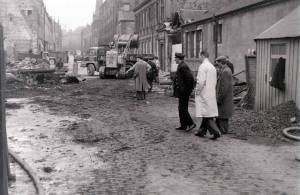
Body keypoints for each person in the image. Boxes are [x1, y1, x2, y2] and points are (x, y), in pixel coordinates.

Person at [194, 51, 221, 140]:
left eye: (200, 56)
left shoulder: (203, 66)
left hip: (203, 93)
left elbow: (201, 82)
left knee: (206, 114)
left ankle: (216, 131)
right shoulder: (212, 67)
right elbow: (215, 81)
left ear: (202, 56)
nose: (199, 58)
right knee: (205, 113)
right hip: (210, 93)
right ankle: (202, 131)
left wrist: (197, 90)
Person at [173, 53, 196, 131]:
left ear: (179, 59)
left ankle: (191, 123)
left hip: (184, 92)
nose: (174, 59)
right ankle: (183, 125)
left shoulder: (183, 66)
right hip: (182, 91)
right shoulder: (181, 65)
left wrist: (187, 90)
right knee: (181, 108)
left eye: (175, 58)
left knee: (183, 108)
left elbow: (190, 79)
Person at [215, 56, 234, 134]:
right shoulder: (225, 70)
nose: (217, 64)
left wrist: (219, 98)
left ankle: (223, 130)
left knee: (223, 115)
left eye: (217, 63)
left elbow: (224, 88)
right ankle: (221, 129)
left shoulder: (225, 71)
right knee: (222, 115)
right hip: (225, 98)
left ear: (221, 62)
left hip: (224, 98)